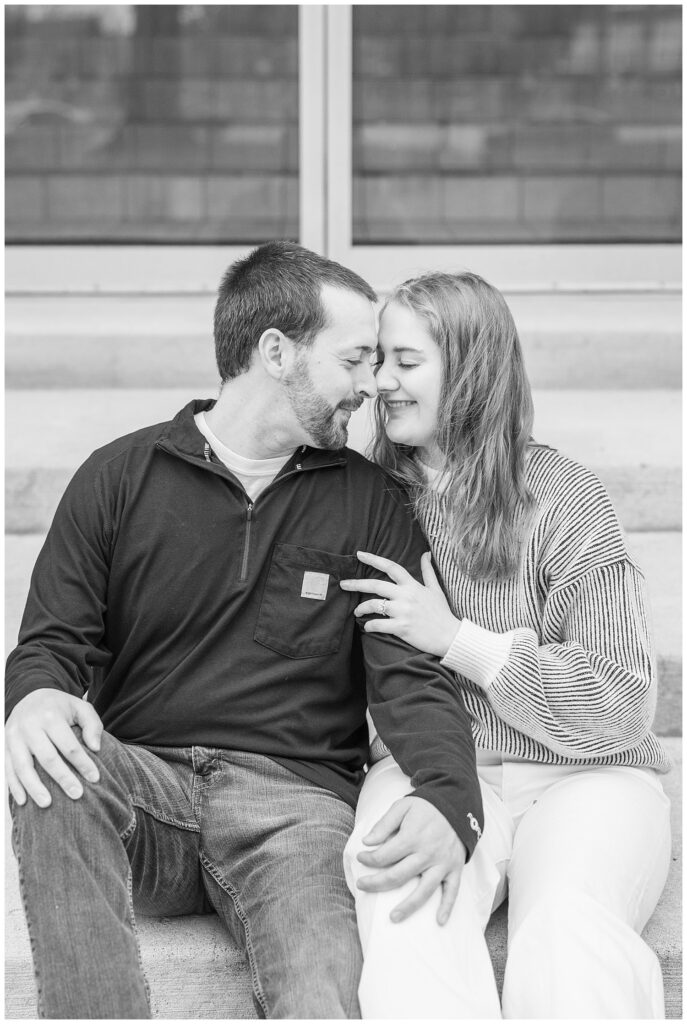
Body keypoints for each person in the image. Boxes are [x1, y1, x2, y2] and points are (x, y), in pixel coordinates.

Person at [5, 243, 483, 1020]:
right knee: (54, 762)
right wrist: (32, 699)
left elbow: (410, 674)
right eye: (356, 358)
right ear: (276, 352)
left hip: (294, 811)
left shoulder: (368, 500)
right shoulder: (119, 476)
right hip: (147, 790)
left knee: (320, 995)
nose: (372, 385)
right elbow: (51, 644)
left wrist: (449, 795)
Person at [340, 270, 672, 1019]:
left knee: (564, 928)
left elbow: (618, 700)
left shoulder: (561, 498)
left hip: (587, 776)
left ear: (471, 372)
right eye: (376, 361)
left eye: (406, 362)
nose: (381, 383)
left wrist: (457, 640)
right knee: (404, 910)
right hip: (428, 767)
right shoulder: (358, 501)